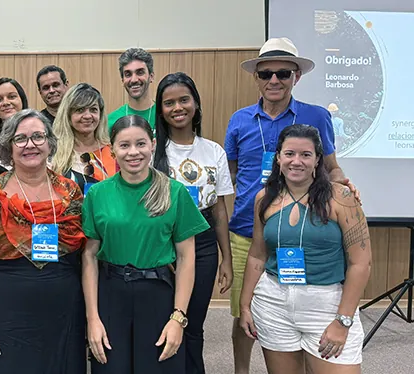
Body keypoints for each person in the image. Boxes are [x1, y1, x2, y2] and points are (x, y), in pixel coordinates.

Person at [224, 37, 358, 374]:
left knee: (309, 305)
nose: (274, 80)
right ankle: (241, 370)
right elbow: (232, 173)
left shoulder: (317, 116)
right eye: (266, 73)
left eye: (283, 73)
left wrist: (342, 185)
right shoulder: (239, 120)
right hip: (248, 230)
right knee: (245, 312)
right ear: (256, 77)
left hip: (306, 227)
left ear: (296, 76)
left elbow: (331, 166)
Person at [239, 124, 371, 373]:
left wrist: (343, 321)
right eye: (289, 154)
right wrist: (245, 306)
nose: (296, 161)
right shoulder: (264, 198)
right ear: (278, 158)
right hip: (273, 303)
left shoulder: (341, 197)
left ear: (318, 160)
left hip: (327, 305)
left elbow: (360, 263)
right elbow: (257, 255)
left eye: (306, 154)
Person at [83, 115, 209, 373]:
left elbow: (186, 258)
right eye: (124, 145)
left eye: (140, 144)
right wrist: (92, 318)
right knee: (110, 367)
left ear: (153, 144)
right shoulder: (97, 194)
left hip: (157, 294)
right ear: (112, 150)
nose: (133, 152)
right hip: (111, 294)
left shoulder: (174, 191)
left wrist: (178, 318)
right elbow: (89, 256)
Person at [0, 109, 87, 373]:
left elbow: (86, 255)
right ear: (8, 147)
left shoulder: (70, 192)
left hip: (64, 313)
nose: (30, 145)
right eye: (20, 139)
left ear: (50, 143)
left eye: (38, 137)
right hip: (6, 315)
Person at [152, 72, 234, 374]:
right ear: (161, 109)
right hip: (162, 244)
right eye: (169, 102)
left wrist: (226, 258)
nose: (177, 108)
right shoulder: (151, 150)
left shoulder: (214, 151)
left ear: (196, 104)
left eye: (184, 100)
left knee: (193, 323)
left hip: (203, 244)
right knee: (163, 321)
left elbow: (219, 210)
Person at [50, 83, 116, 192]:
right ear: (68, 115)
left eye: (93, 109)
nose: (88, 116)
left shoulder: (114, 152)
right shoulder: (53, 154)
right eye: (80, 110)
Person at [107, 48, 156, 130]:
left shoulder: (164, 116)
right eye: (128, 74)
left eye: (140, 72)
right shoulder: (110, 122)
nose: (134, 80)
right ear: (122, 80)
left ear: (151, 76)